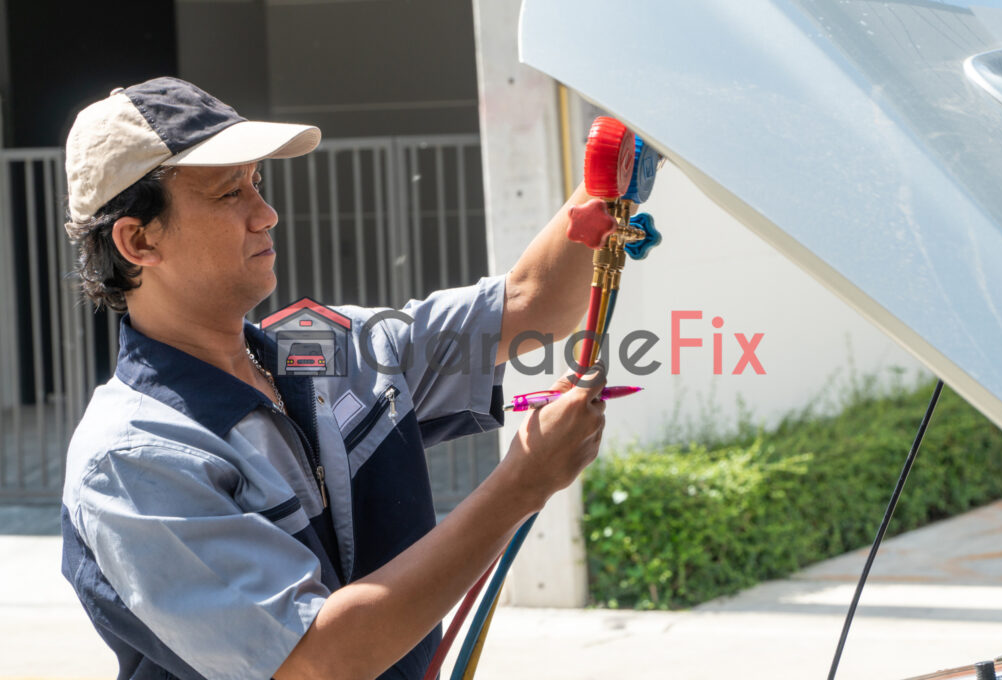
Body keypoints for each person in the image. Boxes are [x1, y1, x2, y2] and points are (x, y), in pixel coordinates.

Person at [60, 76, 608, 680]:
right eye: (227, 194)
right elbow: (317, 661)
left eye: (256, 183)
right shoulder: (133, 458)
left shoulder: (329, 346)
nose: (266, 213)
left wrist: (609, 179)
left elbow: (532, 304)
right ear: (138, 240)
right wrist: (521, 486)